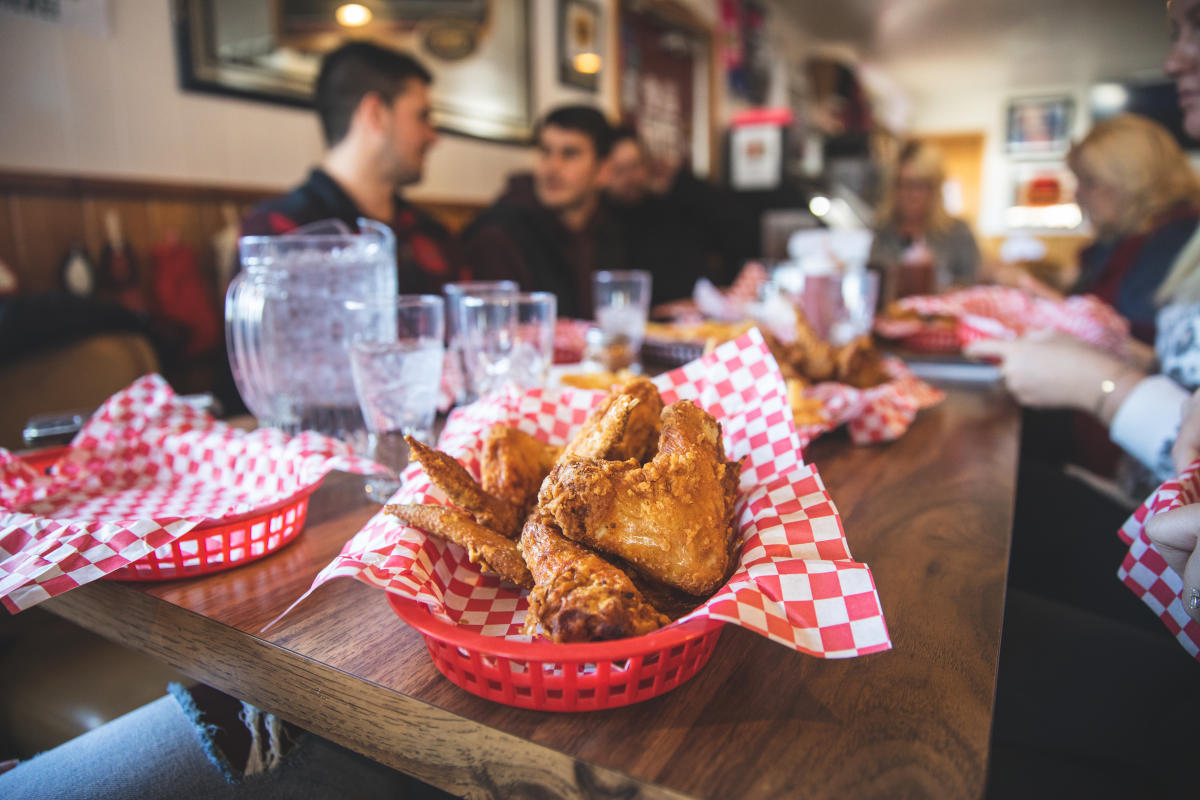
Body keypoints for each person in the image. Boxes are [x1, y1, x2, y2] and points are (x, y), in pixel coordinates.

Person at [240, 41, 466, 295]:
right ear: (375, 114)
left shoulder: (431, 233)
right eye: (422, 116)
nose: (433, 137)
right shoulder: (282, 234)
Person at [461, 105, 626, 318]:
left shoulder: (611, 230)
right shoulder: (498, 235)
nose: (552, 167)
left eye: (569, 154)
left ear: (604, 171)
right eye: (545, 152)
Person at [1064, 114, 1200, 342]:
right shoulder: (1118, 242)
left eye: (1090, 181)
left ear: (1133, 181)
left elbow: (1134, 338)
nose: (1077, 194)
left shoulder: (1173, 241)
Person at [602, 126, 757, 307]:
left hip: (692, 320)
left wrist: (680, 181)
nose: (629, 178)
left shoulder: (672, 207)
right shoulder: (601, 225)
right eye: (619, 170)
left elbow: (740, 227)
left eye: (635, 166)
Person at [868, 140, 980, 301]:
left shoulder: (958, 233)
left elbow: (971, 289)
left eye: (918, 185)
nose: (910, 194)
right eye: (903, 184)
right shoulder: (883, 233)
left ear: (934, 188)